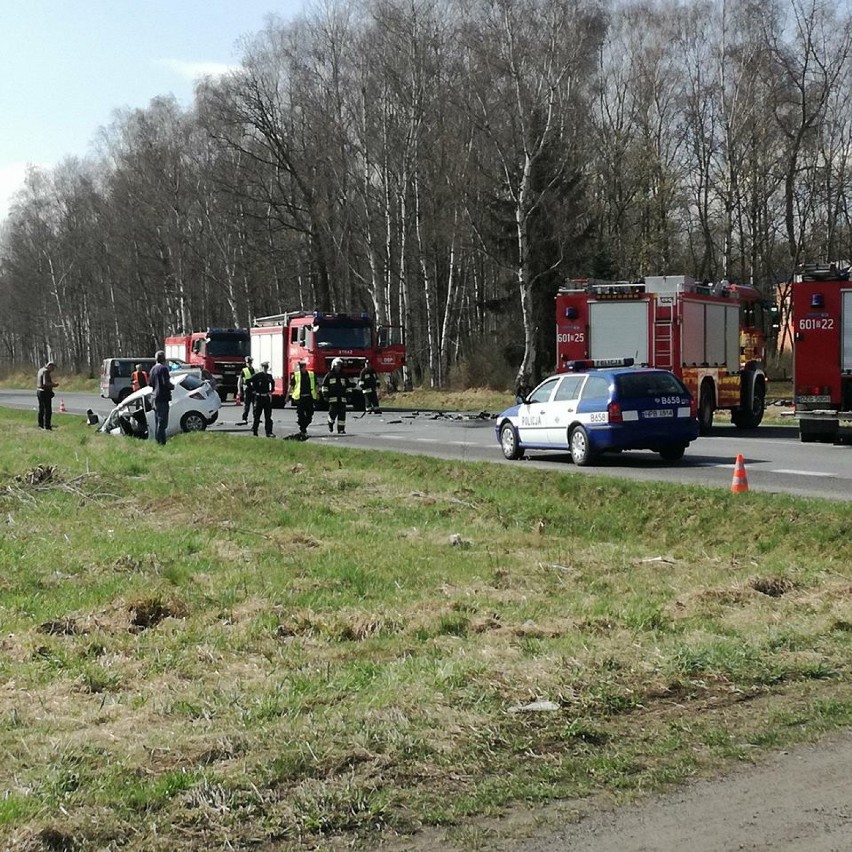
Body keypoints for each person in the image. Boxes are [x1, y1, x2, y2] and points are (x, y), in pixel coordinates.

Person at [148, 350, 172, 445]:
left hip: (154, 397)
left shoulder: (152, 369)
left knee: (157, 420)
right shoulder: (163, 369)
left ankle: (158, 441)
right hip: (162, 397)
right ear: (164, 359)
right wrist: (172, 386)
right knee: (163, 422)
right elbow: (165, 383)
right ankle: (161, 442)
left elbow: (150, 383)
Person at [289, 360, 317, 438]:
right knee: (301, 415)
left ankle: (304, 426)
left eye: (305, 366)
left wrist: (317, 394)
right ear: (301, 368)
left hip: (309, 398)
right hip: (300, 398)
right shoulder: (296, 375)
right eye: (304, 367)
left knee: (309, 415)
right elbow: (291, 386)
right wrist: (287, 396)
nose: (305, 368)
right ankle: (303, 429)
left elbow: (316, 385)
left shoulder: (311, 375)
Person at [246, 361, 275, 437]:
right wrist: (253, 390)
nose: (265, 369)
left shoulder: (269, 376)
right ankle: (255, 431)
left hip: (266, 397)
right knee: (257, 416)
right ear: (261, 368)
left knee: (268, 416)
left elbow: (272, 383)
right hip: (259, 397)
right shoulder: (257, 375)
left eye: (266, 368)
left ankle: (269, 432)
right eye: (264, 367)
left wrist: (271, 391)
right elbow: (248, 381)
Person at [322, 357, 348, 434]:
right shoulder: (329, 375)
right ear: (333, 366)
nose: (338, 367)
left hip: (342, 399)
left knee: (342, 416)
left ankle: (341, 429)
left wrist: (349, 395)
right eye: (337, 366)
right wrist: (325, 396)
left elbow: (348, 386)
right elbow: (324, 387)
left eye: (340, 366)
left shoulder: (343, 376)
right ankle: (330, 423)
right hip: (333, 400)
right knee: (332, 415)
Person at [36, 360, 58, 430]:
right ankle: (47, 426)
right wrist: (54, 385)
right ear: (49, 366)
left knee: (41, 409)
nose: (53, 370)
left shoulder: (40, 370)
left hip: (39, 391)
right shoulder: (46, 371)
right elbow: (46, 383)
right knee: (48, 410)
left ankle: (40, 424)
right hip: (45, 392)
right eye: (53, 368)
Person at [237, 355, 256, 425]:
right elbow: (240, 381)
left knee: (255, 405)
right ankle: (244, 418)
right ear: (246, 363)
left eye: (250, 362)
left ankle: (255, 418)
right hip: (247, 390)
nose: (249, 364)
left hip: (254, 390)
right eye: (248, 362)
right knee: (247, 405)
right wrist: (239, 390)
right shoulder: (244, 370)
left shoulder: (255, 370)